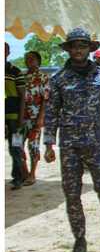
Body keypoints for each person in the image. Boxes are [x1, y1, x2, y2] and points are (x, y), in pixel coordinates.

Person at [42, 28, 100, 252]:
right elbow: (52, 112)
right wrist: (48, 143)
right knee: (72, 194)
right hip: (70, 146)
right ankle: (80, 239)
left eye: (82, 46)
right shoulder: (58, 80)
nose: (78, 50)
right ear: (69, 49)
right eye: (74, 46)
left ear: (89, 49)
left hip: (97, 144)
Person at [19, 50, 50, 185]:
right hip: (20, 118)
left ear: (38, 61)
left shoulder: (43, 77)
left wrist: (41, 118)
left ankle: (32, 174)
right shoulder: (22, 77)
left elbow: (45, 99)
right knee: (16, 145)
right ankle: (24, 172)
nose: (28, 61)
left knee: (33, 146)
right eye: (27, 58)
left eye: (31, 58)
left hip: (35, 117)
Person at [5, 43, 28, 190]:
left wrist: (21, 117)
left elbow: (23, 96)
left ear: (8, 52)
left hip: (13, 116)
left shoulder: (15, 71)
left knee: (15, 146)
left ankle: (18, 177)